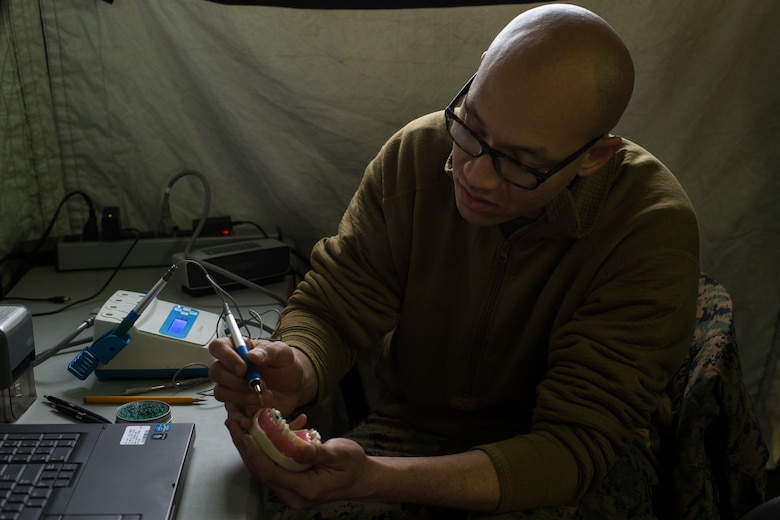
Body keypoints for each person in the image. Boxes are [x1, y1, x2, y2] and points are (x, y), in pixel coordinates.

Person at [208, 3, 700, 518]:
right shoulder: (415, 156)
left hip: (565, 463)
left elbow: (574, 445)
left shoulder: (650, 229)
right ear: (479, 71)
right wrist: (301, 365)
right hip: (413, 428)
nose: (475, 176)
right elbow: (336, 305)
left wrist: (374, 478)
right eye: (471, 127)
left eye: (521, 163)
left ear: (593, 157)